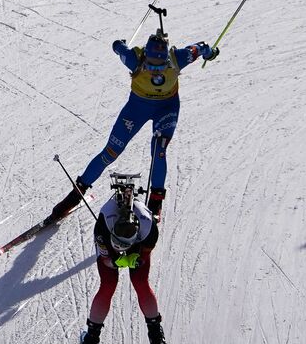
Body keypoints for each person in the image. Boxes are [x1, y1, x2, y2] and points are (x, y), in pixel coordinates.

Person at [51, 31, 219, 223]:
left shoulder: (177, 58)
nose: (156, 71)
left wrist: (209, 52)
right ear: (144, 57)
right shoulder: (134, 59)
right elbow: (117, 47)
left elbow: (200, 47)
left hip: (166, 108)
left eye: (161, 66)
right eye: (151, 66)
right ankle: (75, 194)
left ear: (167, 61)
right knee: (110, 152)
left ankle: (156, 201)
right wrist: (119, 44)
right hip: (137, 109)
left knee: (159, 149)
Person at [79, 180, 166, 344]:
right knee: (108, 284)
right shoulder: (103, 225)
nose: (121, 250)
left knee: (141, 283)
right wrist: (114, 259)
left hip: (138, 245)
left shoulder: (149, 228)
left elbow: (145, 253)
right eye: (118, 245)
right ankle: (92, 337)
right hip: (112, 242)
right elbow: (105, 258)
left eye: (123, 247)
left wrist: (134, 257)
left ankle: (155, 333)